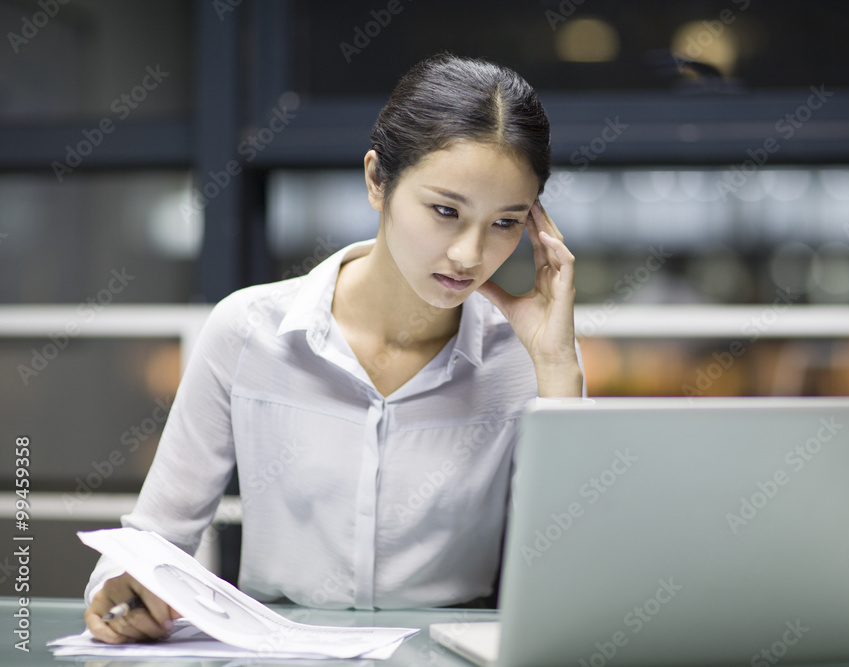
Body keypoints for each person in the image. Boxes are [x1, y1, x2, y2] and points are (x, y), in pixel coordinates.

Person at [83, 53, 584, 644]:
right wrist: (125, 585)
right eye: (446, 211)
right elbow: (152, 543)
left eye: (506, 222)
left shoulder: (524, 360)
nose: (470, 255)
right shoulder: (248, 330)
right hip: (274, 654)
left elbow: (576, 581)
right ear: (378, 180)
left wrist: (555, 367)